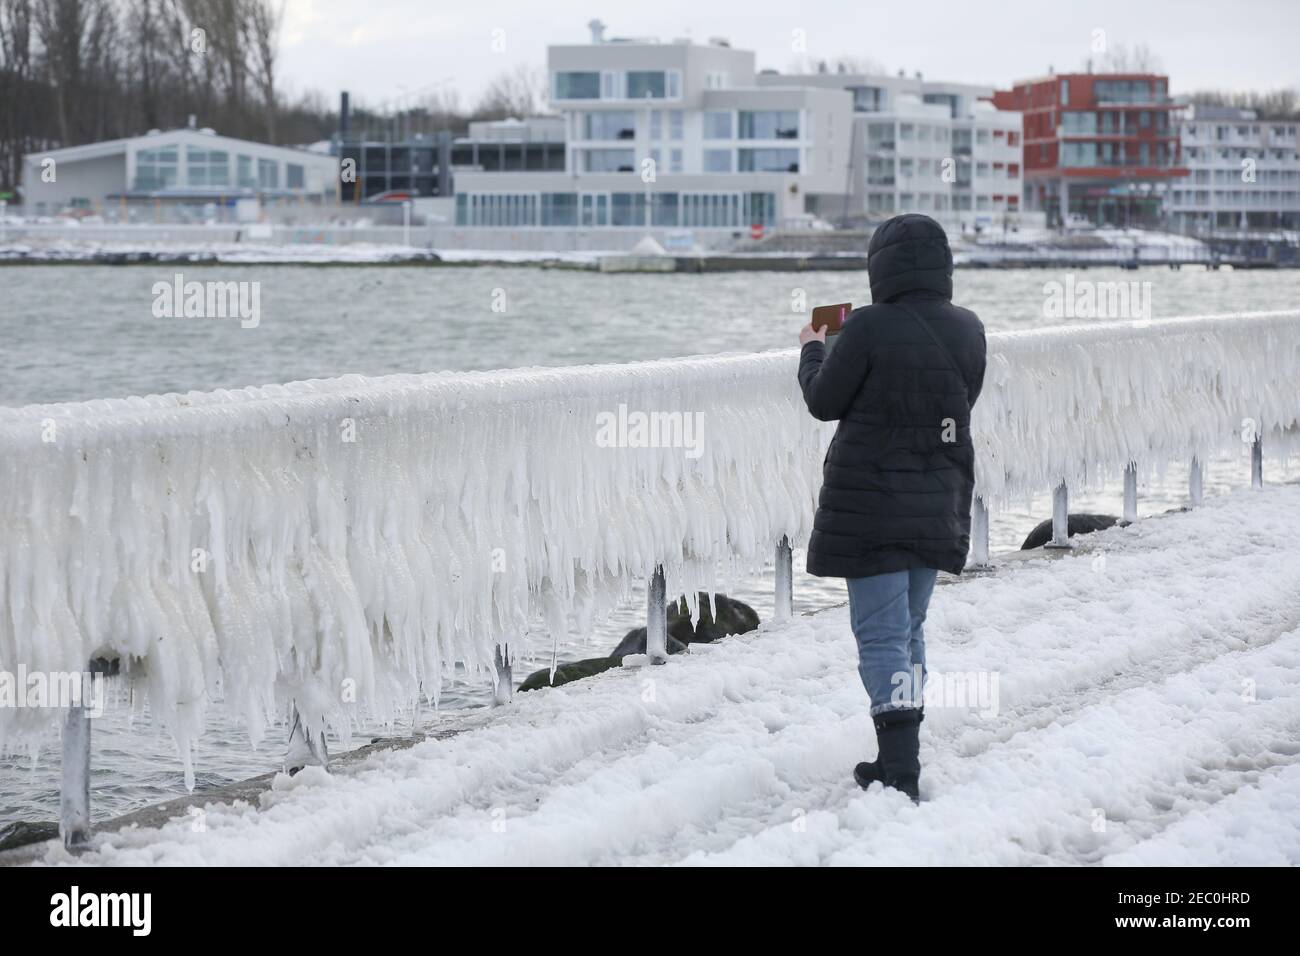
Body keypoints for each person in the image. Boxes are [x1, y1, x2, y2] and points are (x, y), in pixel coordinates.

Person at [797, 213, 987, 802]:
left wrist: (812, 350)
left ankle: (900, 770)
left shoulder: (868, 326)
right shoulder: (970, 329)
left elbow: (824, 402)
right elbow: (955, 401)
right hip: (938, 501)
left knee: (881, 635)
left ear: (879, 267)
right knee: (908, 629)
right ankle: (901, 753)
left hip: (871, 503)